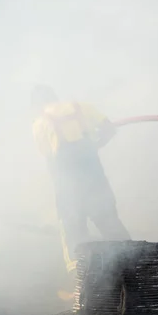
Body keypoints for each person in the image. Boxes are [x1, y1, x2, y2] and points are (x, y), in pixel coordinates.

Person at [31, 84, 131, 300]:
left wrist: (61, 189)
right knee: (109, 221)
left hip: (69, 184)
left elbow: (50, 161)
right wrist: (95, 145)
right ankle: (134, 271)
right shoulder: (81, 107)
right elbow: (109, 128)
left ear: (37, 105)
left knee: (73, 229)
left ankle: (81, 287)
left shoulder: (40, 124)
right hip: (95, 177)